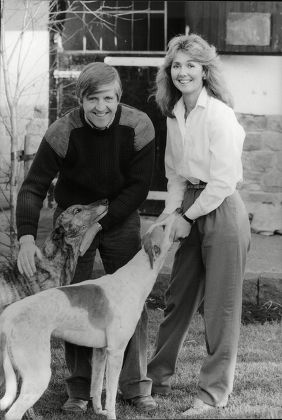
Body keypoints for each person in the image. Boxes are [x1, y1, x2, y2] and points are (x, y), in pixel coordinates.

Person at [16, 62, 157, 413]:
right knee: (72, 303)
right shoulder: (62, 132)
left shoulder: (139, 125)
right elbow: (33, 188)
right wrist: (26, 239)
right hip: (75, 224)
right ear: (81, 99)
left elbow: (139, 187)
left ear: (119, 97)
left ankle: (135, 386)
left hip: (120, 215)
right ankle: (79, 389)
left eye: (108, 98)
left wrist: (104, 223)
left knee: (131, 303)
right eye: (92, 99)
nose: (101, 107)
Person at [146, 34, 251, 416]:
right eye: (176, 64)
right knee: (178, 297)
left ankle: (212, 393)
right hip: (190, 202)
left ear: (205, 71)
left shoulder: (219, 114)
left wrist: (188, 217)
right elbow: (174, 175)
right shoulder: (174, 113)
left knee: (221, 307)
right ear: (168, 71)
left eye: (191, 64)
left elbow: (224, 181)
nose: (183, 71)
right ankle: (154, 377)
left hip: (221, 209)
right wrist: (171, 216)